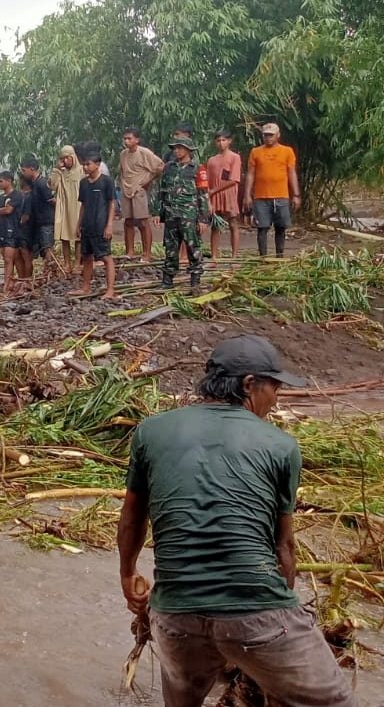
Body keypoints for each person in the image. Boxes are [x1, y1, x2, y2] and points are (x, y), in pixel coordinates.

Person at [119, 335, 356, 707]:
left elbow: (132, 514)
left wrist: (127, 573)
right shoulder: (281, 446)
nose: (276, 400)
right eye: (274, 388)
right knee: (334, 701)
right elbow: (284, 547)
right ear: (249, 384)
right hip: (254, 610)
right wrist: (283, 611)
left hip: (173, 615)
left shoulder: (152, 430)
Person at [243, 122, 300, 258]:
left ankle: (279, 256)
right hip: (261, 197)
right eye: (266, 135)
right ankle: (263, 258)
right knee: (262, 228)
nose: (268, 138)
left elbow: (291, 173)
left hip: (281, 196)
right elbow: (250, 174)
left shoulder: (287, 151)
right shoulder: (256, 152)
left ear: (278, 135)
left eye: (271, 135)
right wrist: (247, 195)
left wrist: (296, 195)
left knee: (280, 228)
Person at [158, 139, 209, 291]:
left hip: (189, 216)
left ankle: (195, 280)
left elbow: (203, 195)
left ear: (188, 150)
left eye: (180, 148)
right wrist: (158, 213)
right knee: (170, 248)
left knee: (193, 247)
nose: (176, 151)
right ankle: (167, 280)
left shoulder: (198, 169)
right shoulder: (168, 168)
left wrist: (203, 219)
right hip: (171, 215)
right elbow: (161, 191)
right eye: (175, 148)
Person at [71, 145, 119, 300]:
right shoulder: (84, 183)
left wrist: (109, 224)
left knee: (106, 257)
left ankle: (110, 289)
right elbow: (83, 205)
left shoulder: (106, 182)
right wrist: (78, 225)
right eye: (84, 164)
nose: (85, 167)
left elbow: (112, 203)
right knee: (87, 257)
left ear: (98, 164)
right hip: (87, 224)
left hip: (101, 224)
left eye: (88, 164)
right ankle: (85, 287)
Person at [118, 128, 164, 258]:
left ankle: (147, 253)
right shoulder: (123, 154)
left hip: (139, 190)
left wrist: (147, 182)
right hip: (126, 189)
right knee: (128, 221)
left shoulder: (144, 153)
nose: (126, 141)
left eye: (129, 138)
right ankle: (130, 252)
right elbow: (121, 170)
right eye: (125, 139)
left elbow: (160, 166)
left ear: (137, 140)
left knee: (143, 222)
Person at [206, 131, 243, 259]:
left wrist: (213, 191)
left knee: (233, 223)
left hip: (229, 194)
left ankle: (234, 256)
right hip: (214, 196)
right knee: (216, 226)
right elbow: (208, 182)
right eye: (218, 140)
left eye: (224, 140)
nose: (221, 143)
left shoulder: (234, 157)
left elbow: (233, 180)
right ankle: (214, 257)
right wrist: (209, 198)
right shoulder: (211, 160)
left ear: (229, 141)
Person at [19, 156, 55, 286]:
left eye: (24, 170)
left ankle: (51, 273)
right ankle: (48, 273)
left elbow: (52, 201)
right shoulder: (35, 184)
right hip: (39, 222)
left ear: (31, 169)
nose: (23, 173)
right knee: (44, 249)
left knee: (48, 248)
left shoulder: (41, 183)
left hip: (46, 221)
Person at [50, 145, 82, 270]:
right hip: (64, 207)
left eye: (67, 158)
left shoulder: (81, 171)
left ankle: (77, 262)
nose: (65, 161)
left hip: (78, 206)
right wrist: (57, 170)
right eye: (62, 159)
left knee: (78, 237)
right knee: (64, 236)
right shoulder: (60, 172)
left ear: (73, 157)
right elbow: (53, 186)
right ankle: (67, 262)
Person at [0, 171, 25, 294]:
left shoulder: (17, 195)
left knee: (10, 258)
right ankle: (12, 281)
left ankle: (9, 284)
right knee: (10, 258)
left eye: (1, 181)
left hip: (13, 230)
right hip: (1, 231)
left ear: (9, 181)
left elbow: (8, 210)